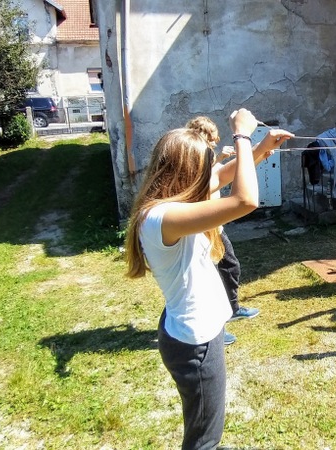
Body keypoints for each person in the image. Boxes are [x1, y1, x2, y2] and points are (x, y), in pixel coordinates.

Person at [124, 109, 292, 449]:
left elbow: (224, 175)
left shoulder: (169, 205)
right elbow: (245, 200)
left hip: (196, 333)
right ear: (185, 172)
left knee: (205, 425)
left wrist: (261, 148)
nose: (209, 175)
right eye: (203, 168)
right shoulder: (162, 217)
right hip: (194, 342)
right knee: (203, 438)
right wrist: (241, 135)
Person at [185, 116, 262, 346]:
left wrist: (259, 151)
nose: (215, 142)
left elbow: (222, 173)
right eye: (211, 138)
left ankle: (233, 308)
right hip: (202, 229)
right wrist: (225, 154)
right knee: (208, 281)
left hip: (215, 227)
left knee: (230, 266)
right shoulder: (194, 157)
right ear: (202, 135)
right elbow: (206, 179)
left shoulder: (207, 156)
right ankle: (215, 329)